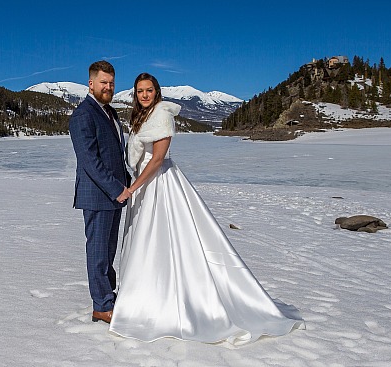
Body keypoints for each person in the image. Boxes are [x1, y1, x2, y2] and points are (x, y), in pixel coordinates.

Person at [109, 73, 304, 345]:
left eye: (149, 90)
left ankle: (172, 301)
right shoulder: (141, 116)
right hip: (144, 184)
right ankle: (142, 296)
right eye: (140, 91)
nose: (144, 95)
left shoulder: (162, 116)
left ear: (157, 92)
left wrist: (133, 188)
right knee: (145, 240)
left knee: (166, 239)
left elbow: (157, 161)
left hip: (158, 183)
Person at [69, 61, 131, 324]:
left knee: (107, 252)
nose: (108, 87)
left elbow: (115, 155)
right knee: (97, 252)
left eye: (111, 83)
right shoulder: (84, 115)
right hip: (97, 195)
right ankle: (102, 306)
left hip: (114, 196)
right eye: (103, 82)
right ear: (91, 84)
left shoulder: (110, 113)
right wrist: (118, 189)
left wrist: (129, 184)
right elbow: (90, 161)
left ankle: (109, 295)